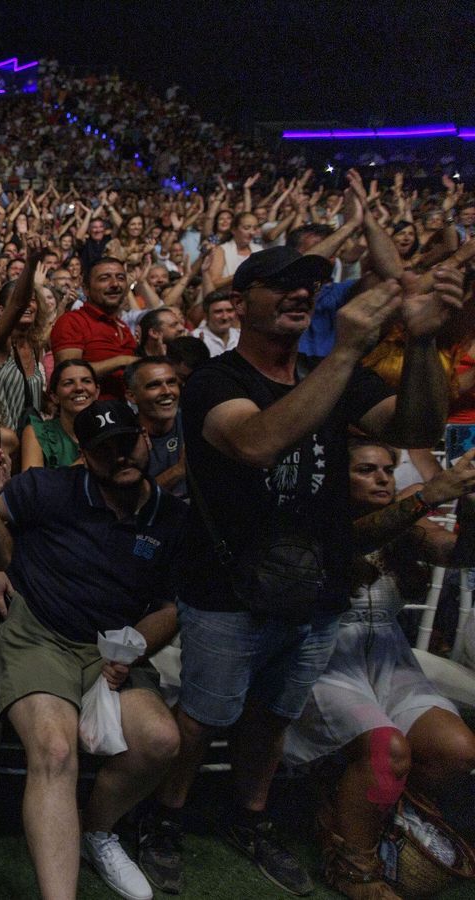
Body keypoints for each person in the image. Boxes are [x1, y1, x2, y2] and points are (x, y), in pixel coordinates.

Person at [137, 248, 462, 896]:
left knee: (273, 716)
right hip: (228, 591)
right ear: (245, 296)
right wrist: (345, 353)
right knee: (205, 715)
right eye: (282, 283)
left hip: (318, 587)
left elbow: (420, 423)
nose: (300, 293)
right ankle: (165, 817)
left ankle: (248, 816)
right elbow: (257, 442)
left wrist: (424, 342)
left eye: (311, 285)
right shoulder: (215, 379)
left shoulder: (327, 370)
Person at [0, 400, 188, 900]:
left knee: (161, 740)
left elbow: (171, 605)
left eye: (127, 444)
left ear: (146, 440)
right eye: (104, 450)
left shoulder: (171, 517)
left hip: (111, 645)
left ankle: (96, 830)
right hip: (36, 632)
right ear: (84, 456)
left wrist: (131, 649)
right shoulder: (47, 488)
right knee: (54, 749)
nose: (120, 458)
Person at [276, 441, 475, 898]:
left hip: (388, 658)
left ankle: (355, 808)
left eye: (388, 469)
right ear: (334, 479)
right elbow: (354, 541)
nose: (384, 478)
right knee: (389, 749)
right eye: (367, 470)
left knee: (459, 751)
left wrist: (470, 503)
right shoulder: (313, 523)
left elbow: (461, 553)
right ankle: (354, 867)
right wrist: (429, 494)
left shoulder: (405, 529)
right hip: (322, 661)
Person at [49, 258, 137, 400]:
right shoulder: (72, 322)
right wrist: (122, 361)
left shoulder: (123, 327)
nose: (115, 284)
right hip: (87, 417)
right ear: (86, 289)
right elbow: (69, 374)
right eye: (104, 278)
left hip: (124, 416)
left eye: (120, 278)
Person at [0, 259, 51, 430]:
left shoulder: (34, 346)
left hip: (33, 444)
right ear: (2, 311)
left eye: (32, 300)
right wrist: (31, 263)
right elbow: (18, 304)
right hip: (1, 446)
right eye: (20, 302)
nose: (27, 305)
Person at [22, 359, 98, 471]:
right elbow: (30, 486)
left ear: (97, 392)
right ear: (54, 397)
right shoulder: (38, 432)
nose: (79, 388)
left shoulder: (112, 427)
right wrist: (83, 462)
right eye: (68, 383)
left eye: (86, 381)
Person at [126, 357, 186, 497]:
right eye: (154, 385)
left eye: (171, 383)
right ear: (131, 396)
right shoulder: (125, 438)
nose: (166, 391)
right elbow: (131, 498)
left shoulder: (194, 423)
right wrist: (178, 470)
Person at [193, 292, 241, 357]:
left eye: (229, 310)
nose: (225, 317)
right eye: (218, 312)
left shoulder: (241, 336)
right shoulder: (195, 337)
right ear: (206, 316)